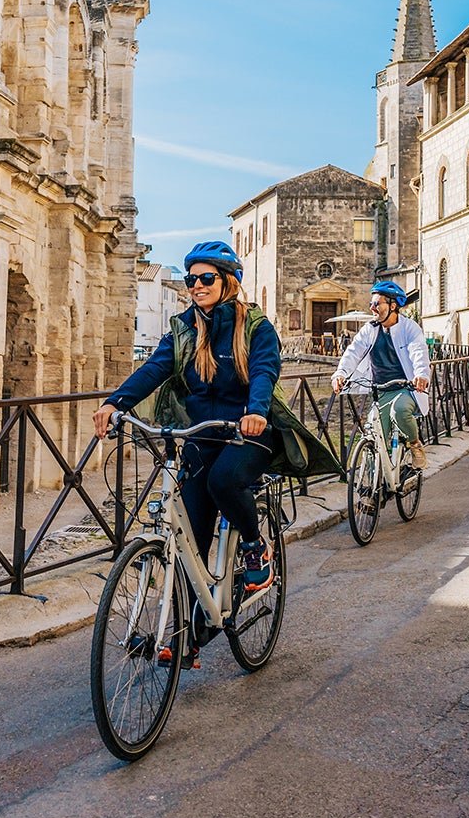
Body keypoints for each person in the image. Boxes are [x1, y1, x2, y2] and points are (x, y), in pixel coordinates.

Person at [93, 241, 337, 600]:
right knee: (191, 536)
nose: (197, 286)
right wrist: (116, 403)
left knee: (223, 482)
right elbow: (154, 369)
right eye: (191, 280)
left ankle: (255, 548)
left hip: (248, 434)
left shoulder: (255, 327)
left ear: (228, 282)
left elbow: (264, 371)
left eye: (206, 277)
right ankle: (187, 640)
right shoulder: (184, 329)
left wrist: (255, 411)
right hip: (200, 435)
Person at [331, 280, 432, 474]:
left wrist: (420, 374)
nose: (372, 307)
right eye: (372, 303)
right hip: (379, 390)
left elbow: (418, 351)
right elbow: (353, 352)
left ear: (393, 306)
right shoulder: (370, 329)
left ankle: (415, 443)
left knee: (400, 411)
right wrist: (340, 373)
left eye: (377, 303)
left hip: (405, 388)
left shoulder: (409, 328)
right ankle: (369, 492)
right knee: (372, 437)